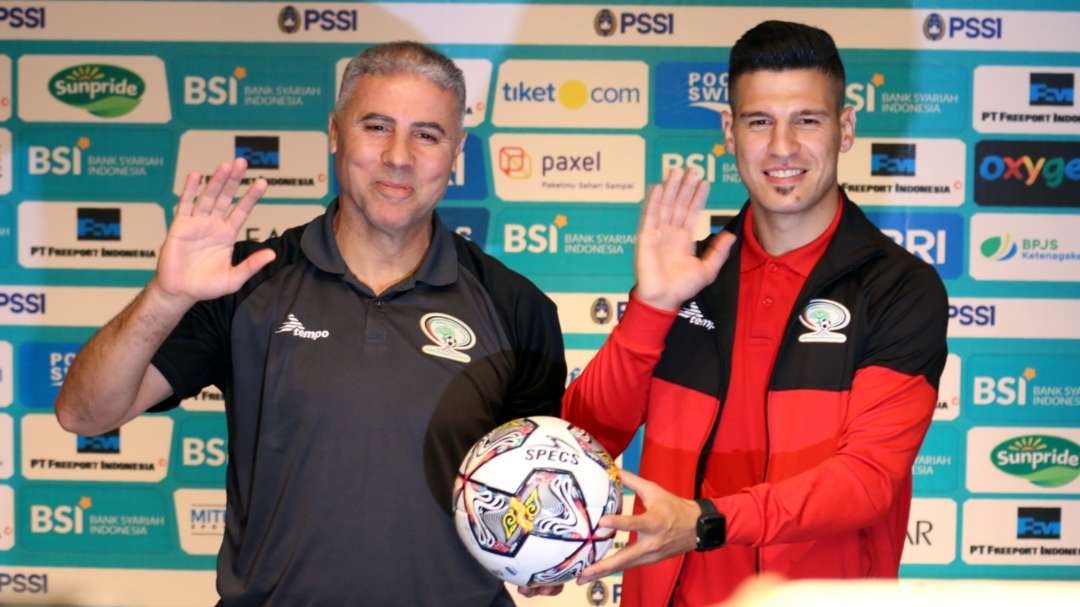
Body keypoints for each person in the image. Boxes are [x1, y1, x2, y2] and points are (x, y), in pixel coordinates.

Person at [55, 42, 566, 606]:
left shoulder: (517, 308)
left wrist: (546, 550)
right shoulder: (246, 282)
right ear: (334, 133)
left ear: (456, 152)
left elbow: (534, 493)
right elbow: (84, 413)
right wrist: (165, 296)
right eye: (376, 126)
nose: (399, 156)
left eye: (427, 134)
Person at [563, 20, 948, 606]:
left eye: (807, 120)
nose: (783, 147)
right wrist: (651, 307)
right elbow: (586, 437)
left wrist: (705, 522)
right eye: (760, 121)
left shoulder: (899, 289)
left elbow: (866, 482)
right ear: (729, 130)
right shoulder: (688, 274)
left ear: (845, 129)